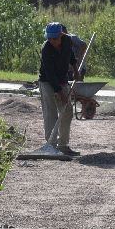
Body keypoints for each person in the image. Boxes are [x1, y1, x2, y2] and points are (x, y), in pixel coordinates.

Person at [38, 21, 77, 156]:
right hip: (47, 82)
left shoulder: (67, 41)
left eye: (55, 38)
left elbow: (71, 57)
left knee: (67, 112)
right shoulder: (46, 49)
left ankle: (63, 145)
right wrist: (59, 92)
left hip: (62, 80)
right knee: (51, 114)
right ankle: (51, 145)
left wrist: (76, 70)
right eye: (49, 38)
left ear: (61, 35)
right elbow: (50, 74)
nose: (52, 41)